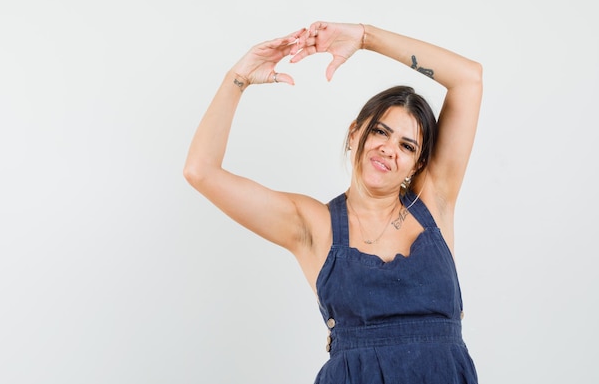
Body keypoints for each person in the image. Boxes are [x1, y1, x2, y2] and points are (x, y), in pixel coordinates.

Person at [184, 21, 483, 384]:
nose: (389, 149)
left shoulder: (434, 201)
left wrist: (364, 38)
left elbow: (468, 78)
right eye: (380, 131)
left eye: (407, 146)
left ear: (417, 163)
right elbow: (200, 171)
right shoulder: (314, 225)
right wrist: (239, 76)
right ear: (355, 132)